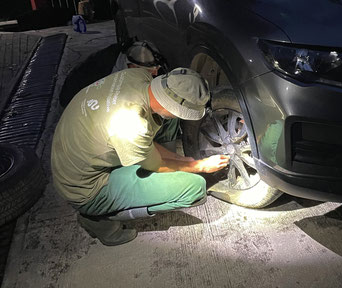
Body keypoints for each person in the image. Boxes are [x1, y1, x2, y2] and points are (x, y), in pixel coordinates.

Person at [51, 67, 230, 246]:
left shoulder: (138, 76)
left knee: (167, 122)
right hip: (86, 188)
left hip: (81, 148)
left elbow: (145, 141)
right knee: (195, 187)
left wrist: (182, 161)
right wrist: (198, 166)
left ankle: (159, 174)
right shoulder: (131, 124)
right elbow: (156, 163)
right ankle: (97, 219)